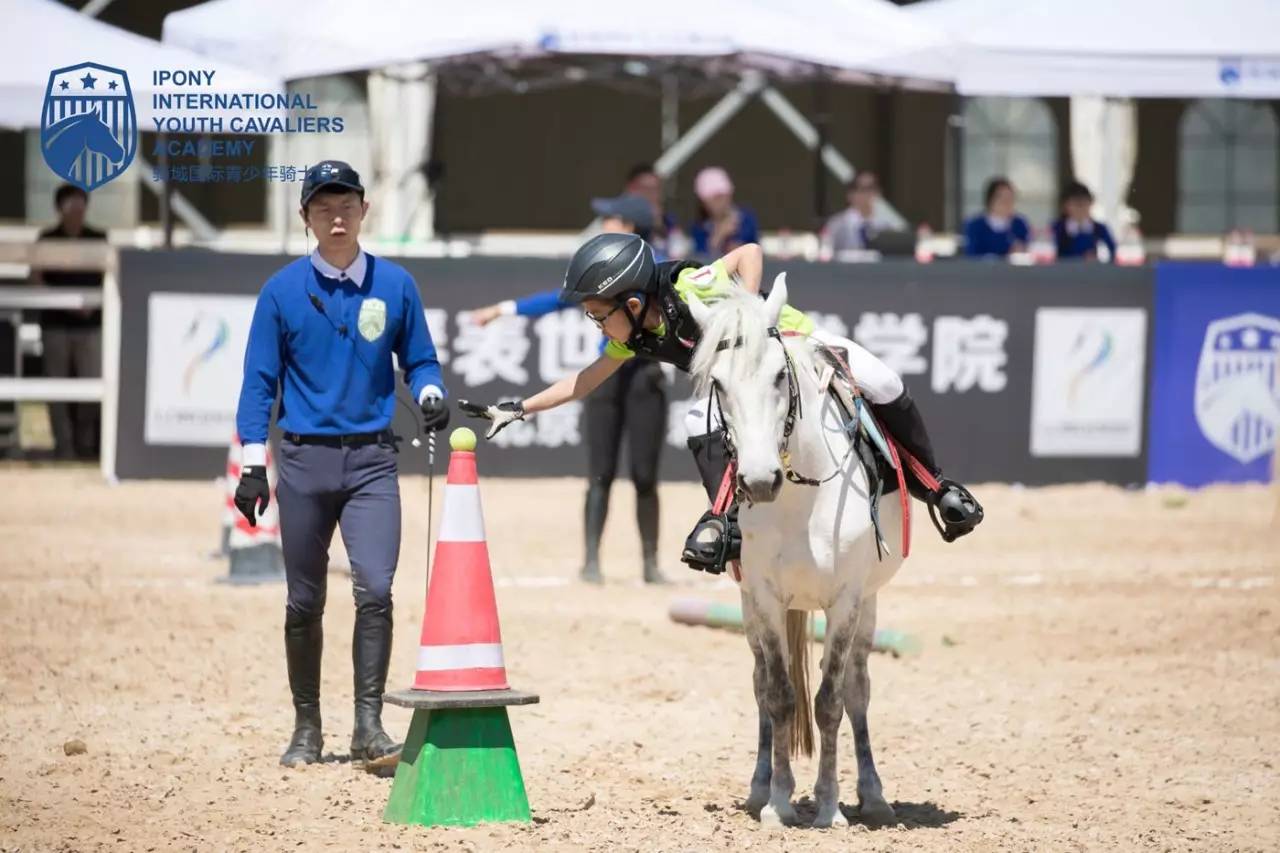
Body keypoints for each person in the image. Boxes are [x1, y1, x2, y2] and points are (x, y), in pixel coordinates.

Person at [459, 235, 983, 577]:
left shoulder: (689, 287)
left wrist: (747, 311)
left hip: (793, 343)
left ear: (633, 303)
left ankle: (938, 489)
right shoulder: (636, 335)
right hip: (735, 383)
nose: (597, 325)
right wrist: (521, 407)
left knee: (883, 379)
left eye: (599, 316)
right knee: (698, 417)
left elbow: (749, 252)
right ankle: (721, 525)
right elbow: (586, 379)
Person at [233, 161, 449, 770]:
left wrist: (430, 391)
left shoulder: (396, 286)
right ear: (305, 217)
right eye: (323, 206)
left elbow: (423, 360)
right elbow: (258, 383)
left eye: (346, 204)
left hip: (374, 462)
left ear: (363, 211)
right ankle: (307, 728)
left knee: (375, 589)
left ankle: (368, 724)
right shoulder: (280, 293)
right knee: (303, 600)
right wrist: (255, 463)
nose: (336, 216)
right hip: (302, 461)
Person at [466, 194, 668, 584]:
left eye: (609, 219)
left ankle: (650, 562)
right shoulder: (605, 268)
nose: (602, 225)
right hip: (607, 377)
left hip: (646, 377)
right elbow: (557, 300)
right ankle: (591, 560)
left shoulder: (652, 271)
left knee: (645, 474)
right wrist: (503, 310)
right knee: (600, 473)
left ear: (627, 226)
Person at [36, 184, 107, 460]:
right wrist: (61, 301)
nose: (77, 212)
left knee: (93, 385)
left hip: (90, 326)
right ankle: (63, 447)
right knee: (57, 388)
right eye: (71, 207)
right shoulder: (46, 238)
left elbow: (108, 276)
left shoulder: (98, 238)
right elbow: (35, 276)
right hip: (55, 325)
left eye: (80, 206)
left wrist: (93, 304)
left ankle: (86, 445)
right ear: (59, 210)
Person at [820, 171, 902, 256]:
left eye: (871, 188)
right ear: (850, 194)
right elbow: (826, 255)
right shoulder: (836, 225)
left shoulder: (887, 226)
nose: (867, 194)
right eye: (861, 189)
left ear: (878, 192)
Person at [688, 167, 758, 257]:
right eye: (716, 198)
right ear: (703, 202)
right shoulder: (699, 227)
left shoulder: (745, 219)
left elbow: (755, 252)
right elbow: (700, 259)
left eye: (724, 196)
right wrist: (719, 235)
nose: (722, 202)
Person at [963, 177, 1031, 258]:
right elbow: (972, 255)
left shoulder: (1019, 224)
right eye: (1002, 198)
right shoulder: (975, 225)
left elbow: (1026, 250)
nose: (1007, 203)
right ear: (990, 200)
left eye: (1010, 198)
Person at [1053, 180, 1117, 262]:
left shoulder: (1100, 229)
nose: (1080, 208)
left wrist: (1099, 259)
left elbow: (1112, 254)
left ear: (1091, 204)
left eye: (1084, 203)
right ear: (1065, 206)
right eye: (1075, 203)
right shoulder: (1056, 229)